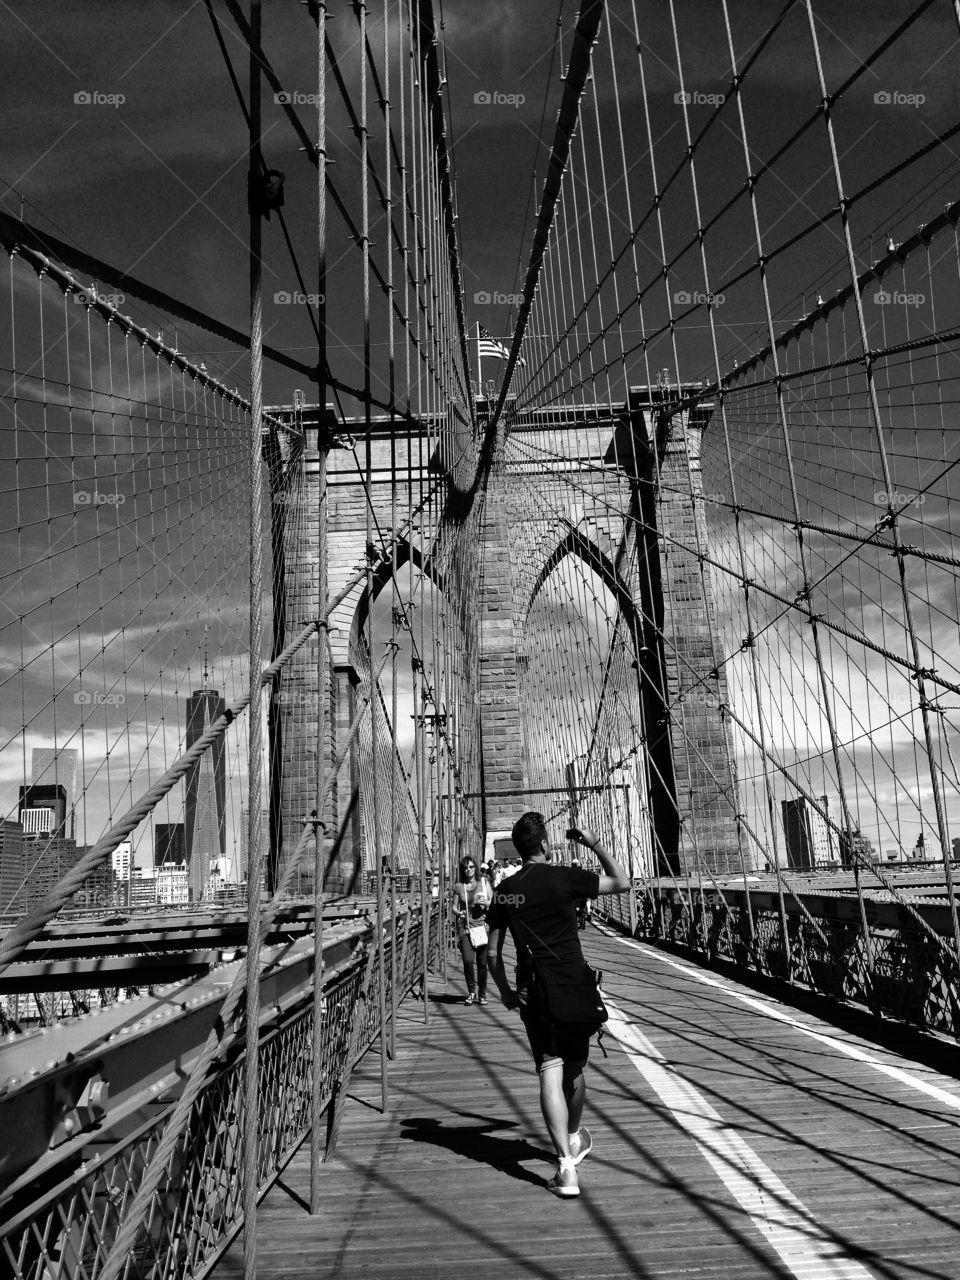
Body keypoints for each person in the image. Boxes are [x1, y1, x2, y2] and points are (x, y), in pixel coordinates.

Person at [487, 812, 630, 1198]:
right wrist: (593, 841)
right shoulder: (566, 877)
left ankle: (566, 1168)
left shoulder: (507, 891)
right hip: (576, 988)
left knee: (549, 1070)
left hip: (535, 991)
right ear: (546, 844)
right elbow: (622, 881)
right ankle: (573, 1137)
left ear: (517, 849)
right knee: (575, 1070)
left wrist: (503, 991)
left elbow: (494, 954)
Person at [453, 854, 493, 1005]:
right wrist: (459, 913)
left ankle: (482, 994)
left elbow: (493, 902)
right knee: (468, 961)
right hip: (466, 928)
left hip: (482, 928)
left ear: (475, 868)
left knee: (482, 963)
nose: (468, 870)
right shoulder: (458, 886)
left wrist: (487, 903)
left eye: (470, 867)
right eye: (465, 867)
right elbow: (454, 907)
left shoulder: (484, 882)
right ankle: (471, 992)